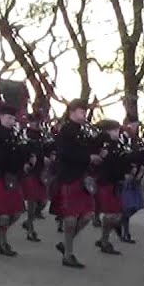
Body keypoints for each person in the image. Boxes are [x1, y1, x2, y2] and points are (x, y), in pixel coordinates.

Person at [52, 99, 99, 268]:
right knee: (70, 219)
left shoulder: (84, 131)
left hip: (83, 178)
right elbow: (64, 154)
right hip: (69, 177)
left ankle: (66, 244)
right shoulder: (65, 131)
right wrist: (88, 158)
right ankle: (68, 254)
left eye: (85, 112)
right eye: (81, 111)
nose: (84, 115)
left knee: (87, 215)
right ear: (71, 112)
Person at [0, 104, 32, 256]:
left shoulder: (16, 135)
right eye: (8, 117)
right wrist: (18, 160)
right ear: (0, 118)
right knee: (4, 214)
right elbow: (0, 158)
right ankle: (3, 242)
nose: (12, 120)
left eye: (13, 118)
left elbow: (21, 153)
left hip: (13, 176)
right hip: (1, 176)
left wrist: (26, 156)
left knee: (16, 213)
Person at [92, 119, 129, 255]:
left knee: (117, 214)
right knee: (111, 214)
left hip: (116, 182)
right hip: (106, 181)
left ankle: (103, 238)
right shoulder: (101, 143)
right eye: (114, 130)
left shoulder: (118, 144)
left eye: (117, 130)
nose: (117, 133)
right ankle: (105, 241)